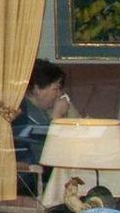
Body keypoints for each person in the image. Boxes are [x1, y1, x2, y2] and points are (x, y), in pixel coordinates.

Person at [12, 60, 74, 195]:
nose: (58, 95)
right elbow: (45, 148)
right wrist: (56, 116)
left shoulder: (38, 111)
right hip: (28, 176)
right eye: (55, 89)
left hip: (40, 173)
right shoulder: (21, 110)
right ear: (36, 89)